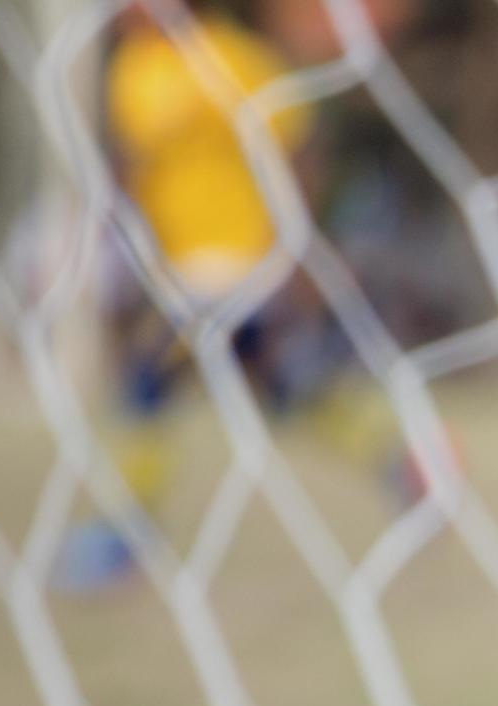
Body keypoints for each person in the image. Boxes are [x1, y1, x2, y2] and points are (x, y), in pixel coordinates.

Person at [61, 0, 408, 589]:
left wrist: (298, 249)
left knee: (147, 388)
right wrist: (124, 262)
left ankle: (124, 537)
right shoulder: (132, 72)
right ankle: (402, 466)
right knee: (282, 388)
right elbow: (132, 174)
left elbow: (301, 153)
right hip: (176, 269)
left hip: (243, 263)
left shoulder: (239, 60)